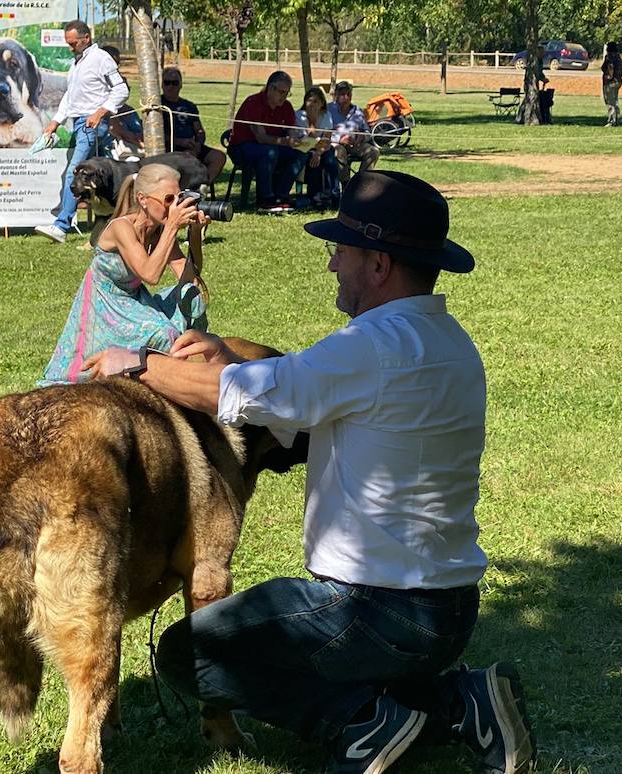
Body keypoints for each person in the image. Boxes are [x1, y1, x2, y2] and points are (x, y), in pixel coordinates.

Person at [82, 170, 537, 774]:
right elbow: (312, 388)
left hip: (372, 609)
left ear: (377, 264)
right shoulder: (448, 342)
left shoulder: (372, 345)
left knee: (188, 654)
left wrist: (138, 364)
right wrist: (225, 356)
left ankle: (364, 722)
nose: (332, 267)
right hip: (448, 610)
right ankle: (462, 703)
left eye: (340, 252)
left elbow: (256, 392)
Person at [40, 163, 209, 385]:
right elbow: (150, 274)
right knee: (162, 332)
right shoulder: (122, 228)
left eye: (177, 199)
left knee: (192, 297)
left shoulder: (159, 229)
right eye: (168, 200)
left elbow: (189, 278)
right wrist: (172, 228)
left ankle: (186, 370)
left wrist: (195, 234)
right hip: (105, 303)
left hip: (135, 299)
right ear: (143, 199)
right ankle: (169, 379)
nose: (174, 207)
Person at [35, 21, 130, 244]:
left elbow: (121, 89)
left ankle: (61, 226)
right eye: (68, 43)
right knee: (109, 173)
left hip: (93, 124)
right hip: (80, 123)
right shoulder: (77, 62)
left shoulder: (101, 59)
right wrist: (56, 122)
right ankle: (118, 220)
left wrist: (100, 113)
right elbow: (70, 96)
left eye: (73, 43)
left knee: (75, 173)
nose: (70, 47)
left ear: (86, 38)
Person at [227, 71, 304, 212]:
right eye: (281, 92)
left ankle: (281, 195)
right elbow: (261, 138)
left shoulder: (286, 106)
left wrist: (294, 138)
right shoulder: (253, 103)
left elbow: (291, 128)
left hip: (271, 147)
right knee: (270, 152)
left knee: (300, 154)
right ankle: (266, 199)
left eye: (287, 93)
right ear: (270, 88)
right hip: (243, 147)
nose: (284, 97)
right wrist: (287, 142)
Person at [159, 66, 228, 182]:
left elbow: (199, 130)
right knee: (189, 157)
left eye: (175, 83)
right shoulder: (158, 105)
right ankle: (187, 189)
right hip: (170, 147)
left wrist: (198, 144)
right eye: (167, 82)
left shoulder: (189, 106)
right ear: (162, 85)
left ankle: (202, 186)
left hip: (192, 145)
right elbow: (156, 134)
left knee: (219, 157)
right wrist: (180, 141)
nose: (171, 86)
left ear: (181, 85)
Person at [327, 80, 380, 189]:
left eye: (348, 94)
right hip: (334, 143)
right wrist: (340, 139)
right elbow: (322, 131)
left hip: (355, 144)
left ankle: (360, 183)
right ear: (335, 95)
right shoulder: (328, 110)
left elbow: (367, 131)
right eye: (342, 94)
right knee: (339, 151)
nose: (346, 97)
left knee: (374, 151)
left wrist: (362, 136)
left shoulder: (358, 112)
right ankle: (346, 185)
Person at [294, 85, 340, 207]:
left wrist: (319, 153)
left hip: (323, 147)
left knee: (331, 161)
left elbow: (327, 138)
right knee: (313, 162)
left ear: (322, 103)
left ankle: (335, 194)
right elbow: (306, 138)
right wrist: (312, 121)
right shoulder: (299, 116)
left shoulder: (326, 115)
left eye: (316, 101)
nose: (312, 104)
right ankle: (315, 195)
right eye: (309, 101)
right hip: (305, 147)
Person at [601, 42, 622, 127]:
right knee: (615, 101)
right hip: (618, 81)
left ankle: (612, 120)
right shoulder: (619, 58)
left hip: (610, 83)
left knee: (610, 101)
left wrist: (610, 76)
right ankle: (617, 118)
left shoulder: (609, 57)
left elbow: (610, 66)